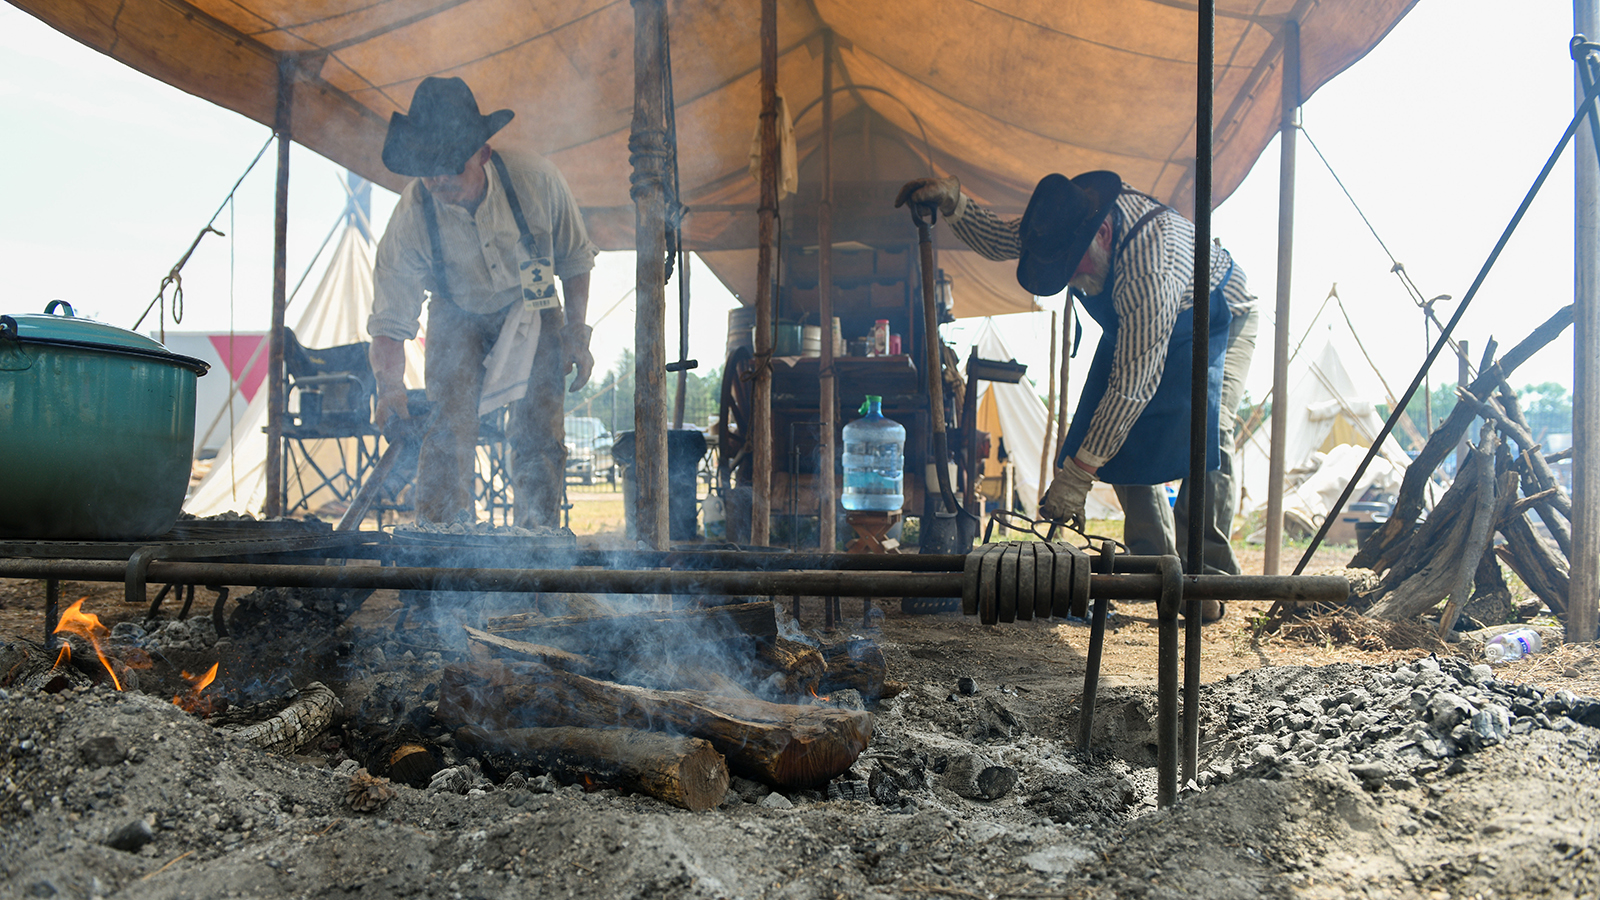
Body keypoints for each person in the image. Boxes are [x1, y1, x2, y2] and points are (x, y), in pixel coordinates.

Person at [896, 172, 1259, 620]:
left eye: (1075, 267)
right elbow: (1007, 239)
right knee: (1120, 442)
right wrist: (955, 204)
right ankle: (1156, 571)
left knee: (1206, 435)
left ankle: (1206, 579)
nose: (1074, 281)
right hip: (1138, 324)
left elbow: (1131, 388)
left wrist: (1077, 476)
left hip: (1216, 313)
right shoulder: (1070, 218)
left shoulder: (1149, 266)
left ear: (1102, 234)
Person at [369, 76, 598, 528]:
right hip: (456, 309)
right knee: (445, 430)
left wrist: (576, 333)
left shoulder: (537, 181)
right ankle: (441, 547)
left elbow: (574, 261)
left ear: (483, 155)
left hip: (533, 301)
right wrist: (389, 386)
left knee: (539, 432)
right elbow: (390, 319)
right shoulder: (411, 217)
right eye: (427, 167)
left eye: (450, 166)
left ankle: (538, 547)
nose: (437, 180)